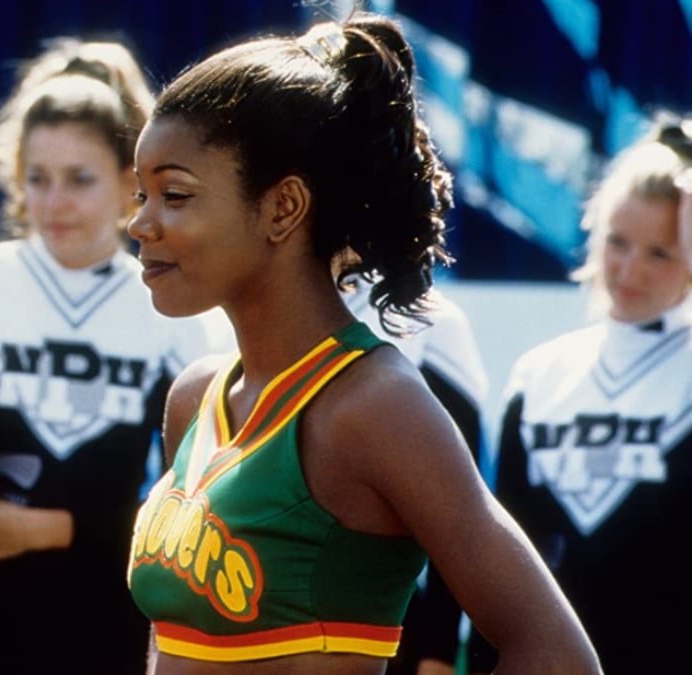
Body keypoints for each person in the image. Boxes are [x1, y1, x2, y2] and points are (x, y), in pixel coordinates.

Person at [126, 12, 601, 675]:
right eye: (140, 193)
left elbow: (556, 656)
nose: (140, 222)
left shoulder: (376, 404)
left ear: (283, 207)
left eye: (174, 194)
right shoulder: (195, 397)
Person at [0, 37, 232, 674]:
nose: (55, 202)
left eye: (79, 179)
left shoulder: (173, 309)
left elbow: (205, 507)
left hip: (113, 625)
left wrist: (59, 528)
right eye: (38, 179)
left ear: (133, 182)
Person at [468, 115, 692, 675]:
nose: (629, 269)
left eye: (660, 252)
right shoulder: (541, 374)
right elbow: (500, 551)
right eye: (617, 241)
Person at [342, 279, 489, 675]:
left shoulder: (430, 319)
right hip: (242, 612)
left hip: (377, 627)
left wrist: (438, 655)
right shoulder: (232, 305)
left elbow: (458, 514)